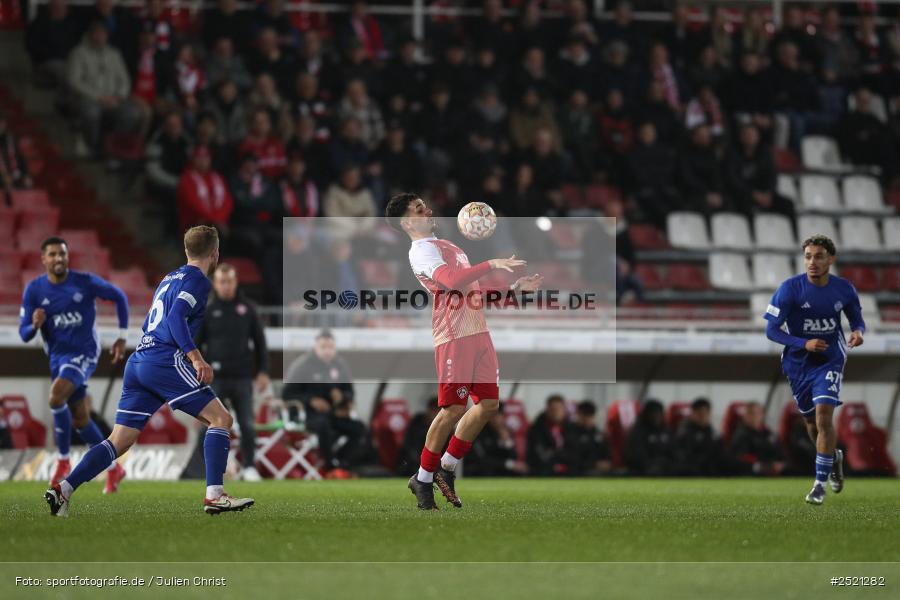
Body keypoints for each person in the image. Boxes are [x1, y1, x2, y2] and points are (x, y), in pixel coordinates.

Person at [45, 226, 254, 517]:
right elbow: (175, 316)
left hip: (139, 359)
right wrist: (196, 358)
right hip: (164, 360)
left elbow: (152, 322)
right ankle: (215, 496)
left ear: (186, 251)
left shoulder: (169, 278)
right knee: (221, 419)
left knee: (119, 441)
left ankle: (63, 490)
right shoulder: (198, 280)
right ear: (215, 253)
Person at [384, 193, 542, 510]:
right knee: (453, 409)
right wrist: (491, 263)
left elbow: (472, 293)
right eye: (419, 209)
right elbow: (453, 282)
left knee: (489, 405)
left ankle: (446, 466)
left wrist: (512, 291)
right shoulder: (421, 251)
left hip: (478, 332)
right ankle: (422, 479)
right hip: (454, 335)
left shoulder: (449, 246)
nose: (428, 210)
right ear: (407, 223)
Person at [19, 236, 129, 494]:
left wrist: (122, 337)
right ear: (43, 259)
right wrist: (34, 325)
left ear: (67, 257)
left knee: (56, 397)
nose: (59, 258)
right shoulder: (34, 290)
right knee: (80, 419)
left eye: (63, 254)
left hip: (84, 353)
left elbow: (119, 297)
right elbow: (24, 334)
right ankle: (113, 468)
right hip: (57, 357)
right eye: (53, 254)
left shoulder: (84, 282)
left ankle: (63, 460)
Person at [763, 235, 865, 505]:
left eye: (819, 256)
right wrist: (803, 343)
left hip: (830, 359)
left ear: (831, 259)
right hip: (798, 362)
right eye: (808, 256)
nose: (812, 262)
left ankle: (819, 485)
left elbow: (856, 319)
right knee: (810, 423)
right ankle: (833, 458)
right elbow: (771, 330)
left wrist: (858, 332)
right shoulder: (789, 289)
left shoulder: (844, 289)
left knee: (823, 417)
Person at [194, 263, 269, 481]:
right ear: (216, 284)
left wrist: (263, 371)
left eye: (229, 281)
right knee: (209, 424)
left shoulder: (248, 309)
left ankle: (250, 466)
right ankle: (204, 468)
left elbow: (260, 343)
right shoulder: (207, 310)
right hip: (215, 379)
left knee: (247, 424)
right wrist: (196, 373)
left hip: (243, 377)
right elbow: (196, 345)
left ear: (235, 282)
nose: (226, 286)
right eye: (222, 282)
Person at [281, 329, 365, 476]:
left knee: (359, 428)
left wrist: (343, 398)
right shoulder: (303, 365)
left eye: (330, 347)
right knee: (323, 424)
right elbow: (287, 394)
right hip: (307, 415)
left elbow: (350, 392)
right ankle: (329, 467)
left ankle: (341, 463)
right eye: (323, 347)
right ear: (315, 347)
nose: (327, 351)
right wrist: (310, 401)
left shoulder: (340, 366)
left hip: (333, 413)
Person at [729, 402, 785, 477]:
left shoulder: (768, 434)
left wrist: (781, 464)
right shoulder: (741, 435)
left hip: (774, 469)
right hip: (752, 472)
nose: (756, 416)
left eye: (759, 413)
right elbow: (741, 458)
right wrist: (765, 466)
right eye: (752, 413)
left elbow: (780, 452)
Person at [526, 395, 577, 476]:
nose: (556, 412)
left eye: (559, 409)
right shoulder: (537, 429)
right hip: (544, 470)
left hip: (570, 469)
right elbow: (539, 453)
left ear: (564, 410)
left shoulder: (572, 428)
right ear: (547, 410)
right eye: (553, 409)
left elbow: (575, 451)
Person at [673, 397, 722, 476]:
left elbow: (719, 450)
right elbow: (685, 454)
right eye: (700, 414)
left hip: (710, 464)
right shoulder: (686, 430)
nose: (703, 417)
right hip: (692, 465)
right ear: (693, 413)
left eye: (706, 414)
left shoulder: (711, 430)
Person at [624, 399, 673, 476]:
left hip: (666, 468)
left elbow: (674, 451)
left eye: (659, 413)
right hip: (643, 470)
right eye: (654, 413)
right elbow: (636, 455)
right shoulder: (638, 431)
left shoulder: (666, 430)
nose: (656, 416)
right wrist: (651, 465)